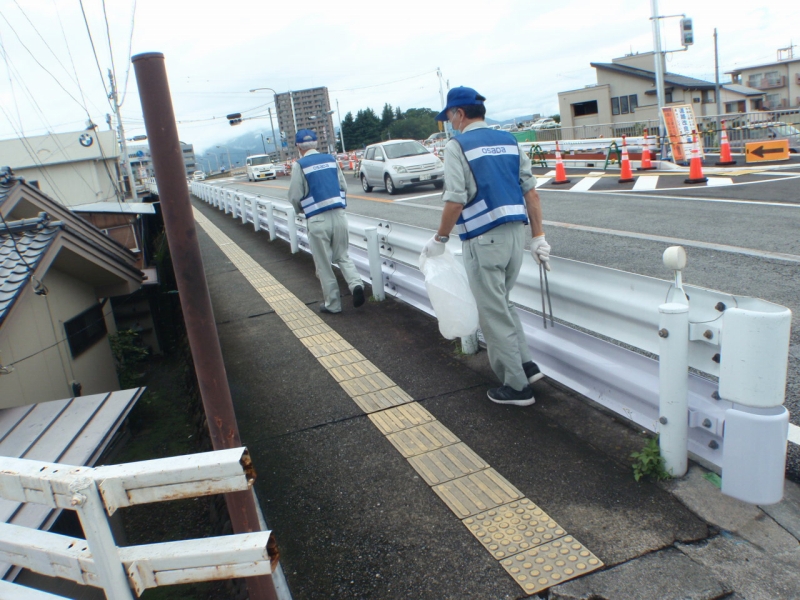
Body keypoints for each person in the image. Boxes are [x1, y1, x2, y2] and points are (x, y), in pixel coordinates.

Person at [421, 86, 551, 407]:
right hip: (515, 238)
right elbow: (531, 194)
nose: (449, 123)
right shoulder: (509, 141)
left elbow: (455, 200)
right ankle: (527, 366)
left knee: (492, 314)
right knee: (503, 304)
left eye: (449, 116)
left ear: (460, 114)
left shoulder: (457, 146)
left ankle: (517, 388)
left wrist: (439, 239)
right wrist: (538, 237)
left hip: (483, 240)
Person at [288, 129, 365, 313]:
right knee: (342, 256)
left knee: (323, 264)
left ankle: (333, 304)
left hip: (317, 219)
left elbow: (294, 196)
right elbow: (343, 186)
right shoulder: (331, 160)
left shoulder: (300, 165)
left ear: (298, 146)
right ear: (316, 144)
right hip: (339, 215)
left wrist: (300, 210)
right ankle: (356, 285)